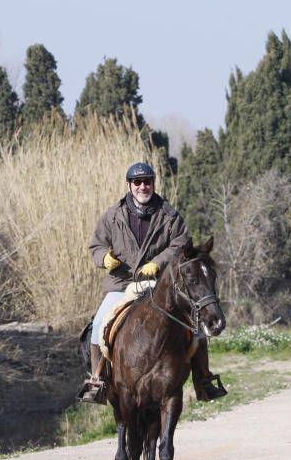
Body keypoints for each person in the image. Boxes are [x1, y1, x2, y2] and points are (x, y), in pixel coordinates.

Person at [78, 162, 226, 405]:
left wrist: (158, 263)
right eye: (137, 182)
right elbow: (96, 245)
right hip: (121, 284)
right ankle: (97, 382)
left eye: (147, 181)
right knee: (98, 326)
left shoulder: (169, 215)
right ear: (129, 185)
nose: (143, 186)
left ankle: (204, 380)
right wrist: (104, 259)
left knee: (196, 329)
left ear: (153, 184)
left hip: (160, 285)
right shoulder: (111, 216)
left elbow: (181, 244)